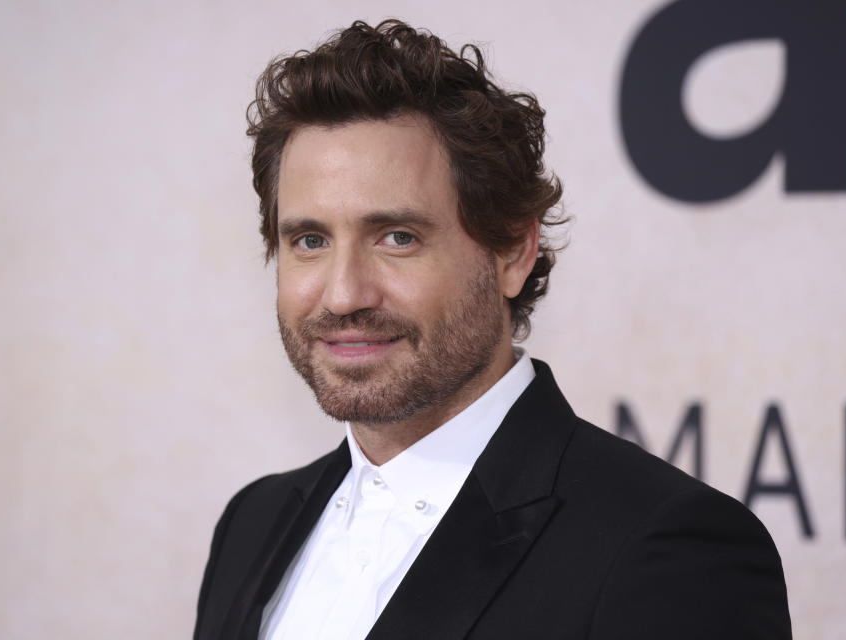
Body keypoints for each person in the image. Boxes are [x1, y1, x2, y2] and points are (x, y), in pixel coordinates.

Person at [194, 19, 792, 640]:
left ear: (512, 252)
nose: (344, 294)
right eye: (310, 240)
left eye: (398, 237)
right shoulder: (251, 524)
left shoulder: (667, 549)